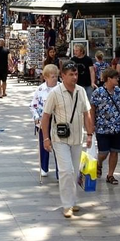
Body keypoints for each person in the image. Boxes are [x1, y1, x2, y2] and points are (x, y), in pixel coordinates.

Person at [40, 61, 95, 218]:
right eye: (70, 74)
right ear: (62, 76)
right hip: (60, 138)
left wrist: (90, 134)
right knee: (66, 171)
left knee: (75, 171)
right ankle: (66, 205)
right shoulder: (55, 93)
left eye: (76, 74)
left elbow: (87, 114)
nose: (74, 77)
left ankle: (72, 200)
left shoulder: (81, 91)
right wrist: (46, 139)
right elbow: (46, 117)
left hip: (78, 137)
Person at [90, 67, 120, 185]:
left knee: (115, 151)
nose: (118, 79)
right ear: (108, 79)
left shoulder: (119, 92)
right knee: (103, 152)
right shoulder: (98, 92)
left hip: (117, 126)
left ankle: (110, 175)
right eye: (115, 77)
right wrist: (91, 124)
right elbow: (92, 109)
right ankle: (99, 163)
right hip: (102, 127)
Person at [30, 64, 60, 182]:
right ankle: (44, 167)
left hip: (58, 121)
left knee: (58, 145)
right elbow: (33, 105)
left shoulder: (61, 88)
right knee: (44, 143)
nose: (55, 79)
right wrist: (36, 116)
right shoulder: (40, 89)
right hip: (44, 120)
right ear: (46, 77)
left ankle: (60, 170)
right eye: (52, 77)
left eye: (56, 76)